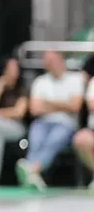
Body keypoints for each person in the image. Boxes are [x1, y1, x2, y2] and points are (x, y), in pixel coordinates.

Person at [18, 50, 86, 189]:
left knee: (54, 139)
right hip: (42, 122)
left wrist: (48, 104)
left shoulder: (75, 79)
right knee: (36, 139)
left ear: (60, 60)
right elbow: (35, 109)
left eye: (51, 60)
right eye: (46, 61)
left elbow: (75, 106)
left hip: (66, 124)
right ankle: (33, 174)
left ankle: (31, 170)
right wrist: (63, 104)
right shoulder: (40, 81)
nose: (48, 64)